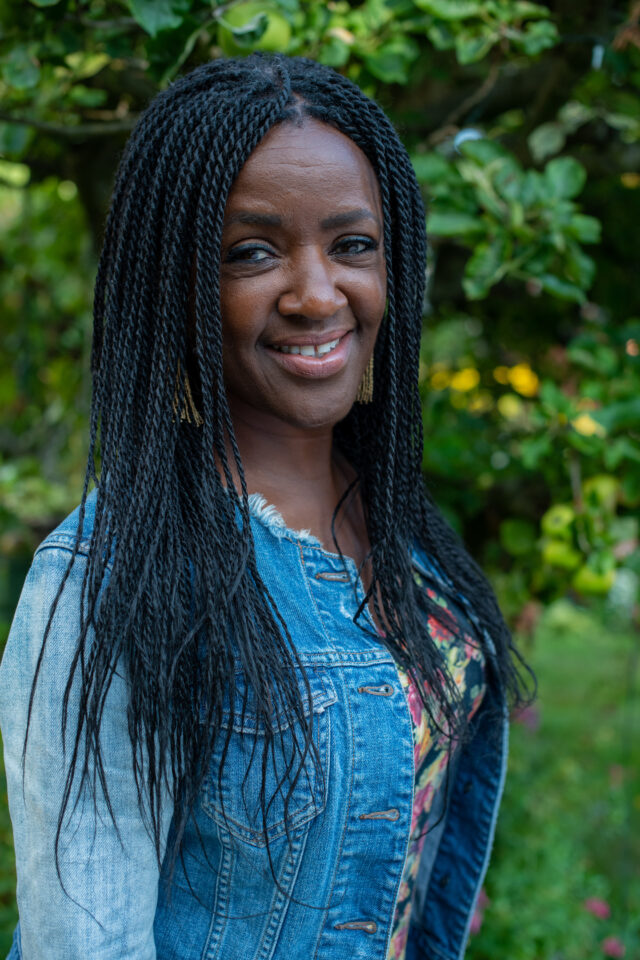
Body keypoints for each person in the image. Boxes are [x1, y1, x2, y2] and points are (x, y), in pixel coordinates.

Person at [0, 54, 529, 960]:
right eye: (252, 251)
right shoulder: (104, 581)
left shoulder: (405, 540)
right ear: (179, 285)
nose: (317, 293)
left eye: (352, 245)